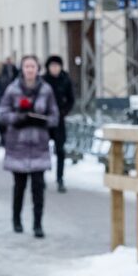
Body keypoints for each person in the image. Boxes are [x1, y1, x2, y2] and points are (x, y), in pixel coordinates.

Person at [0, 55, 58, 238]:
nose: (30, 69)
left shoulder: (46, 90)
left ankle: (38, 224)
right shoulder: (13, 89)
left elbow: (55, 116)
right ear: (22, 69)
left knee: (39, 188)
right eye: (26, 66)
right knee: (19, 186)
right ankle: (16, 220)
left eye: (33, 66)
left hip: (39, 145)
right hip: (18, 145)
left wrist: (44, 121)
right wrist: (17, 118)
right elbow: (1, 113)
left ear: (38, 69)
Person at [42, 55, 75, 192]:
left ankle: (60, 178)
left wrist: (64, 111)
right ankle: (41, 176)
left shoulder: (65, 80)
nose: (54, 68)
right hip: (44, 119)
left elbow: (71, 99)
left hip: (59, 120)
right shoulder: (43, 81)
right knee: (42, 149)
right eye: (52, 66)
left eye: (57, 66)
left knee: (60, 150)